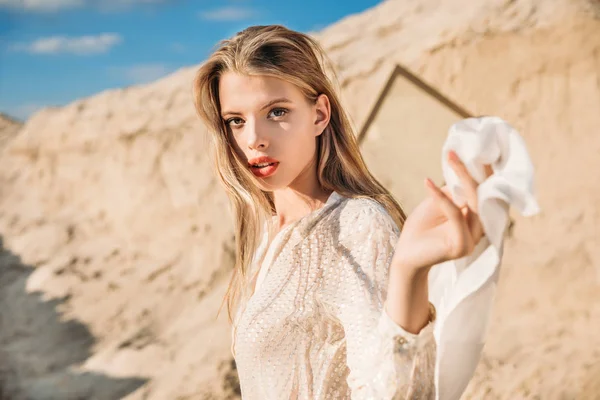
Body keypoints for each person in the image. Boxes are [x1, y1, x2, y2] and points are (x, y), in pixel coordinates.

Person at [193, 24, 495, 400]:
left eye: (276, 111)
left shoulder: (357, 224)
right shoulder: (269, 233)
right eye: (236, 120)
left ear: (319, 115)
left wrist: (408, 270)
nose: (254, 138)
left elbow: (390, 392)